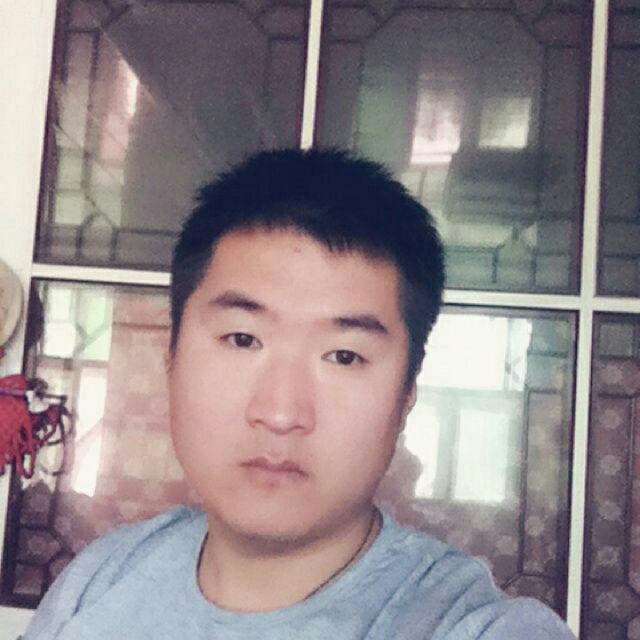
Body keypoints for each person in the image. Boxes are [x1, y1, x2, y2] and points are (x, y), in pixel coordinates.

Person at [23, 149, 575, 639]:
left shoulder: (469, 625)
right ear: (171, 358)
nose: (281, 413)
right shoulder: (102, 577)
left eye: (344, 356)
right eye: (243, 339)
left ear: (407, 394)